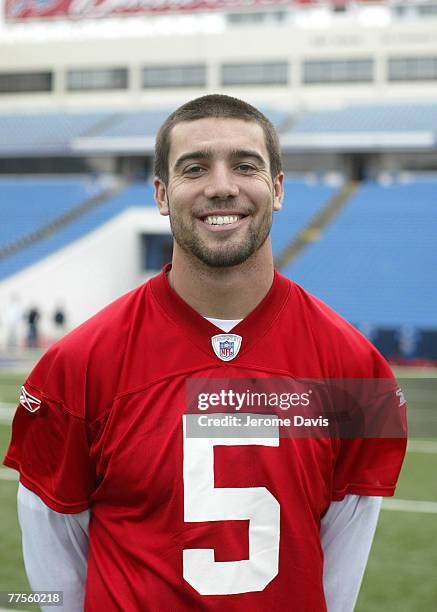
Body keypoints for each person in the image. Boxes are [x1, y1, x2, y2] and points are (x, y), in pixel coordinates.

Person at [4, 95, 406, 611]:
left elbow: (339, 579)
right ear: (162, 194)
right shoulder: (76, 366)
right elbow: (55, 566)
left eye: (245, 165)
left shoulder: (359, 372)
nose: (221, 186)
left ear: (277, 189)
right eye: (195, 168)